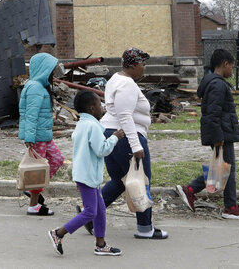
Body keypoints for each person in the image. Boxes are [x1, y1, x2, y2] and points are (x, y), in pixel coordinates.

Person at [97, 48, 168, 239]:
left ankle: (90, 215)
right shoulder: (127, 83)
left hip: (114, 134)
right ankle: (145, 228)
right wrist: (136, 146)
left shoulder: (116, 79)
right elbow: (125, 115)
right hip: (126, 136)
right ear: (134, 65)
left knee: (120, 180)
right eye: (143, 65)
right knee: (140, 180)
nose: (144, 69)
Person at [176, 49, 239, 219]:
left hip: (222, 132)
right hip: (222, 134)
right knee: (227, 169)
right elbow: (213, 113)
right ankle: (230, 207)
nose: (232, 71)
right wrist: (218, 138)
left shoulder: (213, 83)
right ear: (225, 64)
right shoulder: (218, 85)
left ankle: (190, 190)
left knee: (221, 168)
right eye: (232, 67)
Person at [48, 90, 125, 256]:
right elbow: (101, 150)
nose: (101, 107)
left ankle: (101, 244)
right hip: (88, 176)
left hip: (85, 174)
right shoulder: (93, 127)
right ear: (91, 108)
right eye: (99, 104)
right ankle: (59, 233)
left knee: (100, 209)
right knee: (91, 211)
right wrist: (114, 138)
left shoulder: (82, 124)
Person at [18, 52, 64, 216]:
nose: (53, 73)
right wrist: (29, 138)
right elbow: (31, 115)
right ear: (44, 69)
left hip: (44, 135)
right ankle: (33, 205)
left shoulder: (38, 87)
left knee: (57, 159)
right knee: (38, 170)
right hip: (37, 137)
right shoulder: (35, 88)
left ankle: (33, 189)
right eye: (51, 69)